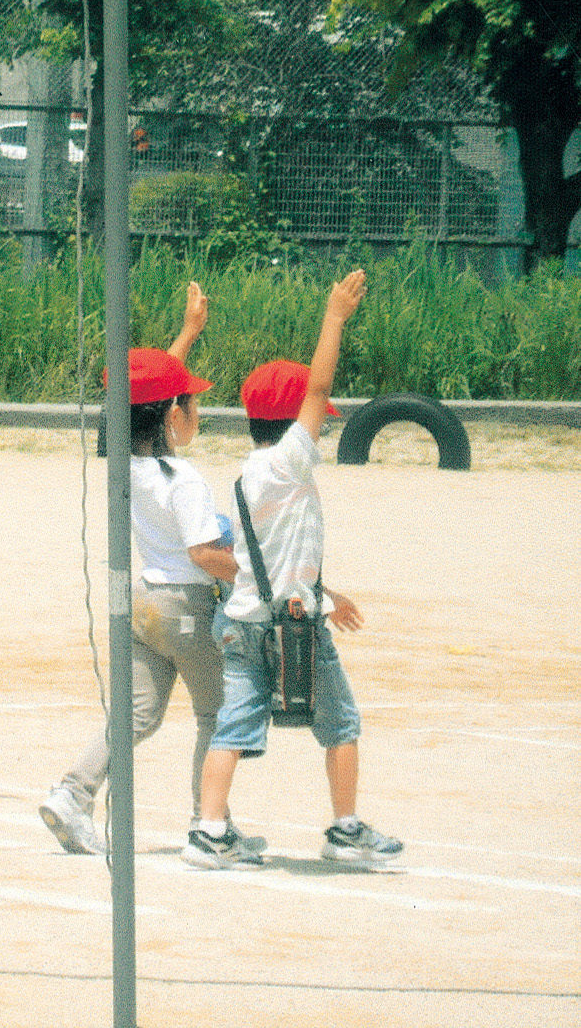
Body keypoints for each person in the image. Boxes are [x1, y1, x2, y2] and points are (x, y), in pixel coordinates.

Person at [184, 268, 404, 869]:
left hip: (242, 620)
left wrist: (326, 591)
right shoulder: (288, 463)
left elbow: (265, 561)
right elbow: (318, 388)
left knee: (232, 727)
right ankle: (345, 829)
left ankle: (208, 831)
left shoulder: (248, 475)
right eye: (316, 417)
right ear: (292, 425)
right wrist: (334, 317)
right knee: (342, 722)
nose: (325, 422)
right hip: (287, 628)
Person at [40, 285, 256, 855]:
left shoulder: (123, 464)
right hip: (187, 604)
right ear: (170, 413)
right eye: (190, 400)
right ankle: (209, 825)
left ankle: (73, 793)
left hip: (141, 600)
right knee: (216, 714)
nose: (197, 411)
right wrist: (258, 575)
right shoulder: (181, 479)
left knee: (136, 714)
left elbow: (142, 387)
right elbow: (205, 555)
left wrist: (186, 336)